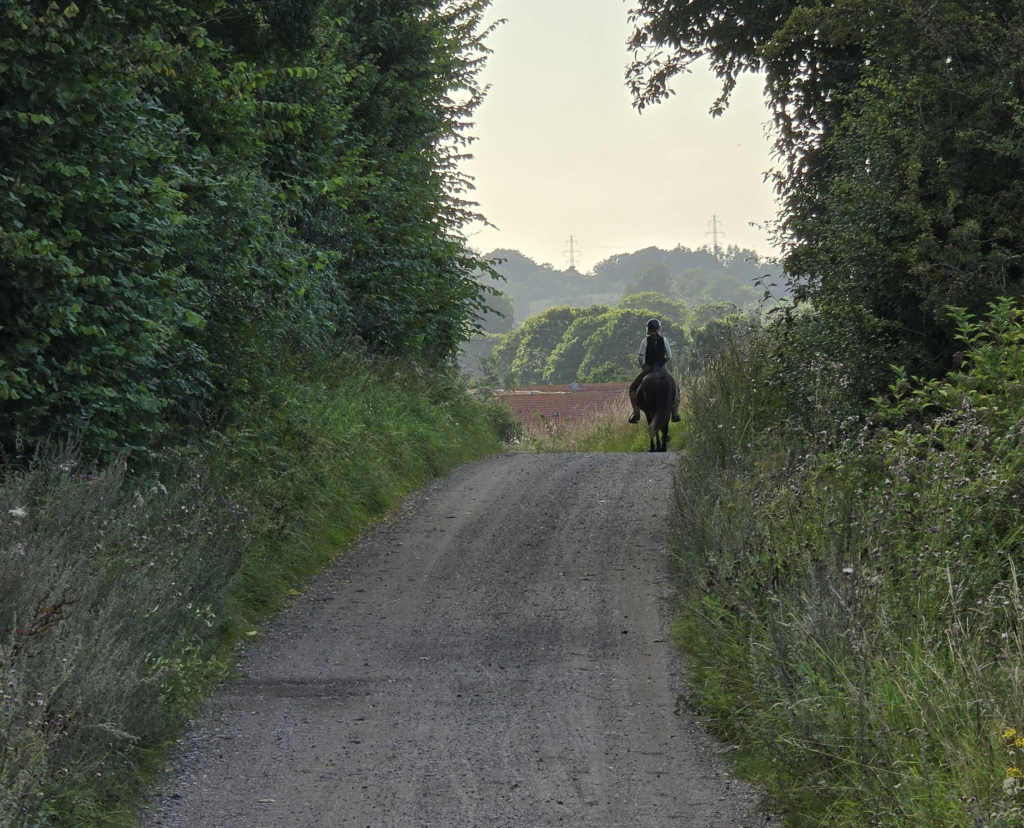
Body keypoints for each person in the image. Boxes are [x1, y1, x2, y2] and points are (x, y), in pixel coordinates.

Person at [628, 318, 681, 424]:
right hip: (662, 368)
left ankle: (636, 413)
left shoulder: (645, 340)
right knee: (676, 387)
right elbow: (669, 356)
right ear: (659, 328)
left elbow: (640, 358)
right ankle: (675, 412)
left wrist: (643, 366)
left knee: (632, 388)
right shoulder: (664, 339)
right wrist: (662, 363)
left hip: (649, 368)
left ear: (648, 329)